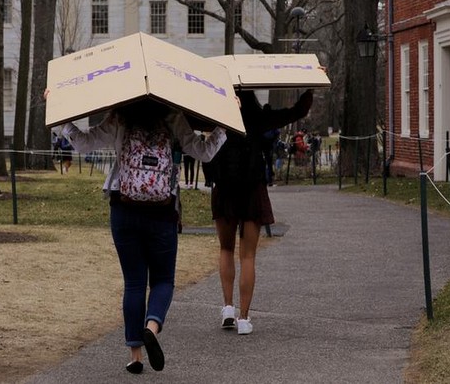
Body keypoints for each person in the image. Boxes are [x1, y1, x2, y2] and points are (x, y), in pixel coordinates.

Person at [60, 99, 226, 374]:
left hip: (124, 209)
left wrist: (61, 120)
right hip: (162, 212)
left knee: (134, 283)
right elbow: (205, 152)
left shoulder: (120, 117)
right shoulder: (173, 117)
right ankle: (152, 326)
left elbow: (82, 143)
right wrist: (224, 126)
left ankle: (135, 356)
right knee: (163, 280)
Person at [210, 89, 313, 335]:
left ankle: (227, 307)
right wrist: (310, 87)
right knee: (248, 256)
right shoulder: (260, 118)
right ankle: (244, 319)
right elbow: (298, 111)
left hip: (224, 188)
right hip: (252, 188)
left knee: (225, 248)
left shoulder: (218, 116)